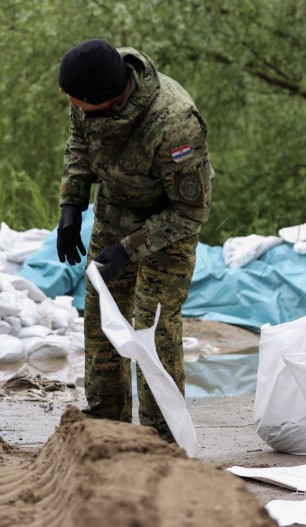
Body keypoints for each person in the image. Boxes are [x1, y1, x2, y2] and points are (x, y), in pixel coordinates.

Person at [56, 38, 214, 441]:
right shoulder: (88, 95)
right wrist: (71, 205)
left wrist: (128, 251)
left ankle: (162, 437)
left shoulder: (175, 123)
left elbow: (190, 212)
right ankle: (107, 426)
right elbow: (79, 143)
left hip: (168, 227)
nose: (72, 107)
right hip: (113, 213)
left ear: (105, 98)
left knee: (151, 328)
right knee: (101, 316)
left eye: (78, 101)